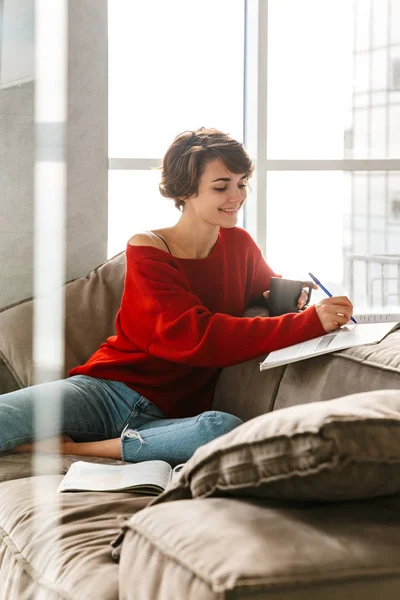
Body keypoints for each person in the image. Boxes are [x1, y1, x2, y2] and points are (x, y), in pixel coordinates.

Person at [0, 128, 353, 466]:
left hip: (171, 416)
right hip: (105, 393)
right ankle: (108, 445)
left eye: (242, 183)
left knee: (221, 430)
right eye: (221, 186)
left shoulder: (240, 244)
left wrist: (294, 300)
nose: (237, 196)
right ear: (185, 190)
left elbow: (267, 294)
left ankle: (76, 449)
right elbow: (194, 335)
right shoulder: (147, 247)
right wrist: (308, 321)